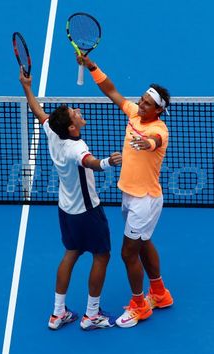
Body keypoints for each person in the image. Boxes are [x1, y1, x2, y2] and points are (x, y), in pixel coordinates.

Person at [19, 67, 122, 331]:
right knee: (102, 256)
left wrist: (27, 87)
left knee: (71, 253)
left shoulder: (53, 132)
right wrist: (108, 162)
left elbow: (38, 112)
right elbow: (90, 163)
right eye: (74, 113)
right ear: (72, 127)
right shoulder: (77, 147)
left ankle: (57, 313)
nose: (77, 110)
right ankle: (91, 315)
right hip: (87, 212)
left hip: (66, 209)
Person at [76, 55, 174, 328]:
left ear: (158, 110)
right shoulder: (134, 113)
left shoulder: (159, 129)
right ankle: (160, 294)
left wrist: (147, 143)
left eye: (147, 103)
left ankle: (140, 305)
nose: (141, 104)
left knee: (128, 253)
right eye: (142, 99)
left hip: (145, 200)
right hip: (130, 195)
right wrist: (93, 67)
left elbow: (155, 141)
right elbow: (111, 91)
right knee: (143, 244)